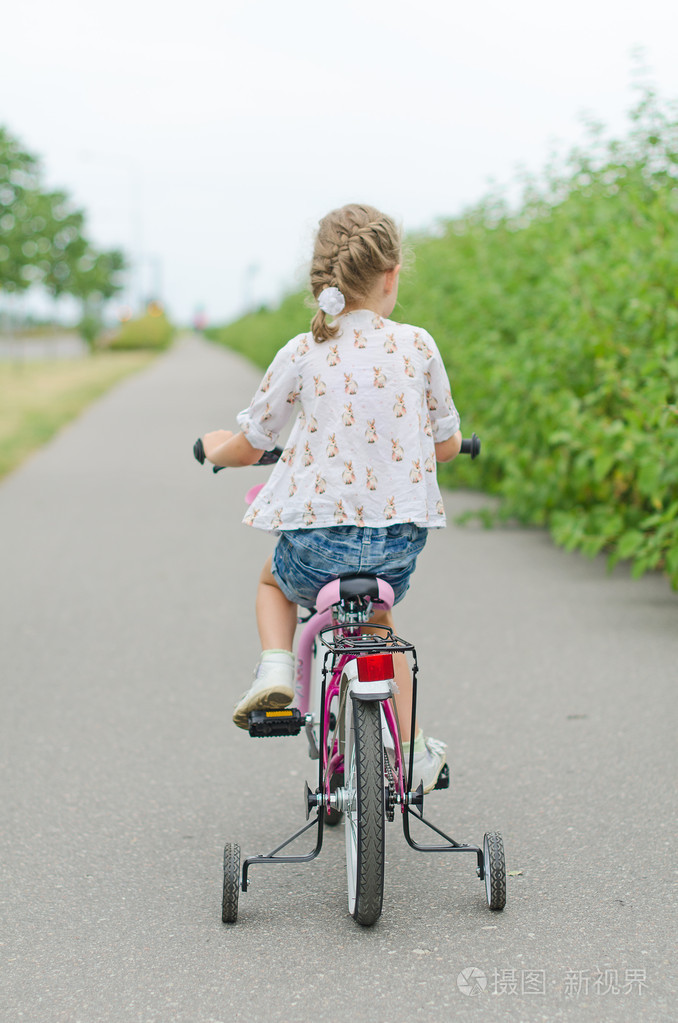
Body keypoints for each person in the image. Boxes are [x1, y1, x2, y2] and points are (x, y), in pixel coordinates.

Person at [201, 203, 462, 792]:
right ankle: (416, 749)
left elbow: (250, 445)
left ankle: (275, 670)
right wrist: (439, 445)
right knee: (380, 625)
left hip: (315, 548)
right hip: (394, 549)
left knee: (272, 581)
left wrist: (216, 448)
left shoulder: (301, 352)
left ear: (321, 279)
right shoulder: (418, 346)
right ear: (392, 274)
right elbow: (445, 446)